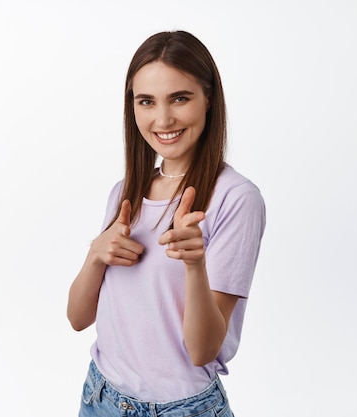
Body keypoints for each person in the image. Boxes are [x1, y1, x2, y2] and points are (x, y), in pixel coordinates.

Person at [66, 30, 266, 417]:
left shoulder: (236, 199)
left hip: (181, 409)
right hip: (101, 398)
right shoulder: (125, 191)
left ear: (208, 98)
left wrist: (195, 265)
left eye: (180, 98)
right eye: (147, 101)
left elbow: (202, 350)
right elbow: (77, 318)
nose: (163, 119)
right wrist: (95, 255)